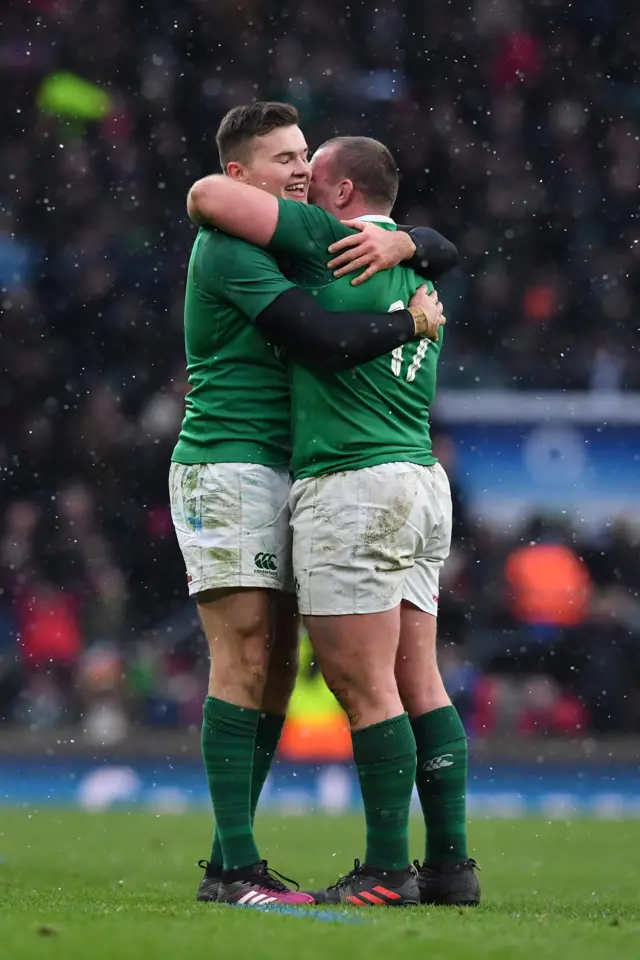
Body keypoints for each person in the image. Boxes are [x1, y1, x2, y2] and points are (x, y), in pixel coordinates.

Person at [187, 136, 479, 907]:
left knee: (363, 687)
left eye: (310, 177)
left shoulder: (330, 248)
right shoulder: (413, 268)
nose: (299, 188)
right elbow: (441, 249)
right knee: (421, 680)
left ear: (344, 193)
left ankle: (386, 869)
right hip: (421, 479)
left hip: (353, 485)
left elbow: (211, 199)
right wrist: (418, 240)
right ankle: (451, 864)